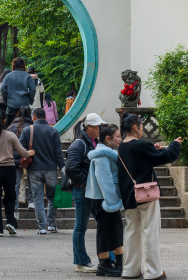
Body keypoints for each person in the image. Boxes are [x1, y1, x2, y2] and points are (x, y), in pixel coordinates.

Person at [117, 113, 183, 280]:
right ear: (135, 127)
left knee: (132, 232)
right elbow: (167, 157)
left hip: (129, 196)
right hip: (146, 194)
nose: (141, 130)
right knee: (150, 232)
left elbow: (142, 159)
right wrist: (174, 144)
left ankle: (130, 270)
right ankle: (153, 272)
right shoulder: (139, 145)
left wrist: (153, 148)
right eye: (140, 126)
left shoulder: (121, 147)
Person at [65, 112, 104, 274]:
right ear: (89, 127)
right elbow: (71, 169)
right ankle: (81, 261)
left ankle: (107, 257)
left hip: (91, 191)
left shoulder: (92, 143)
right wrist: (87, 183)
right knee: (80, 227)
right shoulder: (79, 144)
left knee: (101, 222)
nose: (100, 129)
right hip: (82, 190)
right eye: (98, 127)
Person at [86, 123, 124, 277]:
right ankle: (105, 264)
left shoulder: (104, 153)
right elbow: (104, 180)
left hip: (106, 199)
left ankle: (117, 262)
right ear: (108, 139)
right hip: (104, 199)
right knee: (106, 231)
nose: (120, 139)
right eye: (118, 136)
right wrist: (113, 201)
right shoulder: (102, 155)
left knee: (114, 230)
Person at [19, 107, 65, 235]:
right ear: (45, 117)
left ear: (34, 117)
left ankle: (42, 227)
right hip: (51, 169)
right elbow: (58, 153)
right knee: (52, 198)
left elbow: (20, 148)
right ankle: (51, 225)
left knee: (38, 198)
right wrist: (63, 168)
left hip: (34, 169)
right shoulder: (53, 131)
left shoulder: (27, 130)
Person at [7, 106, 34, 217]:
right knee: (32, 180)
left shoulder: (11, 127)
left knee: (15, 184)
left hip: (14, 159)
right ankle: (31, 202)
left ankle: (15, 210)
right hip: (30, 158)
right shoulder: (32, 127)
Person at [0, 57, 36, 126]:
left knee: (10, 126)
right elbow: (33, 90)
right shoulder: (27, 76)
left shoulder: (8, 76)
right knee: (25, 125)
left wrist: (6, 101)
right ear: (23, 65)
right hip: (24, 105)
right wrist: (30, 100)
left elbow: (2, 89)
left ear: (14, 65)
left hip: (11, 105)